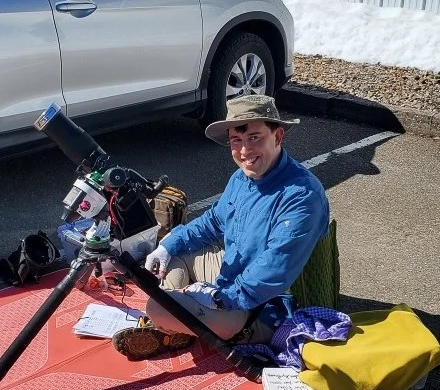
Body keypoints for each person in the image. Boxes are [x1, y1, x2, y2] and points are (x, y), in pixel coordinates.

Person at [112, 94, 330, 360]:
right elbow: (212, 222)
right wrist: (167, 247)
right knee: (175, 253)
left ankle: (171, 322)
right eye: (236, 141)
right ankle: (179, 323)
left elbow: (274, 269)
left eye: (254, 138)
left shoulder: (301, 195)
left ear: (278, 136)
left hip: (262, 308)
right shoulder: (241, 178)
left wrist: (219, 298)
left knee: (156, 306)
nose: (245, 151)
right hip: (230, 278)